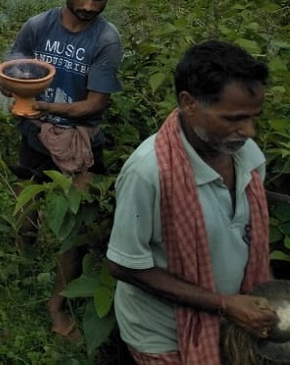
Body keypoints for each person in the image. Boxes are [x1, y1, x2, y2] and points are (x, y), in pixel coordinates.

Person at [107, 40, 275, 364]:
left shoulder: (248, 157)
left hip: (226, 317)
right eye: (234, 118)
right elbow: (124, 264)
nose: (249, 131)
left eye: (254, 117)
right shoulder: (149, 172)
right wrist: (223, 304)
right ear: (189, 103)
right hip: (164, 334)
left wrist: (232, 305)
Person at [6, 0, 122, 340]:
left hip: (78, 146)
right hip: (33, 137)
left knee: (73, 228)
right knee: (26, 209)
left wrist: (43, 105)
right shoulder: (37, 27)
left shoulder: (106, 40)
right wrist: (18, 93)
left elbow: (95, 103)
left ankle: (56, 304)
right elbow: (12, 71)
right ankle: (22, 261)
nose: (89, 6)